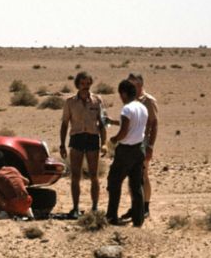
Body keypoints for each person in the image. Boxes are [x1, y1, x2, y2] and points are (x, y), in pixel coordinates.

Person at [59, 71, 107, 216]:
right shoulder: (70, 102)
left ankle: (94, 207)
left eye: (87, 84)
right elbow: (64, 124)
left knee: (94, 175)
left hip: (92, 138)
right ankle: (75, 208)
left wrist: (104, 143)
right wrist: (62, 144)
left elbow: (103, 123)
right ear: (77, 85)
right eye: (82, 84)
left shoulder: (97, 101)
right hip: (77, 138)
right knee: (75, 175)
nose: (85, 86)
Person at [105, 80, 148, 227]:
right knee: (136, 185)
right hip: (139, 149)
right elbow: (133, 125)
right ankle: (138, 219)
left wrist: (113, 139)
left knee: (114, 182)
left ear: (123, 93)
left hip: (126, 151)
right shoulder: (142, 108)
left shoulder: (126, 109)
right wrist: (115, 122)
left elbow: (124, 132)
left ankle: (111, 217)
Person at [121, 72, 159, 220]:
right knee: (132, 177)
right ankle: (135, 206)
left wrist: (150, 146)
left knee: (143, 175)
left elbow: (154, 124)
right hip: (130, 142)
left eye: (133, 84)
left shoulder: (148, 101)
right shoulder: (130, 102)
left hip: (143, 142)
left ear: (140, 85)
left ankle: (145, 207)